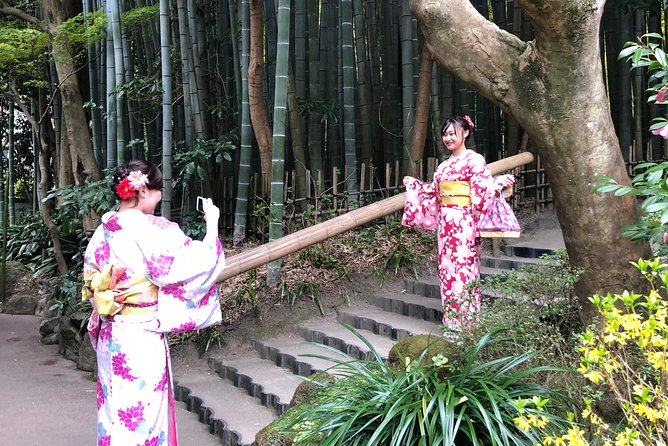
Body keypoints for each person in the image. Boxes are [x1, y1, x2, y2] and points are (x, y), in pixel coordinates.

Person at [81, 159, 226, 446]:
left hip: (112, 335)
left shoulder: (104, 229)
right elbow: (195, 264)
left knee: (114, 413)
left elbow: (91, 277)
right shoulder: (152, 230)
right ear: (143, 192)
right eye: (158, 190)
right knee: (143, 415)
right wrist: (213, 226)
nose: (160, 196)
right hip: (140, 337)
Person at [402, 115, 514, 329]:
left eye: (453, 133)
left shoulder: (474, 160)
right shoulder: (443, 166)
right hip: (446, 226)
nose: (448, 138)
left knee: (464, 269)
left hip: (465, 224)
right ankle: (452, 323)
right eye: (445, 134)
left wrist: (498, 183)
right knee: (447, 270)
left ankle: (468, 325)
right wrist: (415, 186)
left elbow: (482, 191)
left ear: (466, 133)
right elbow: (435, 193)